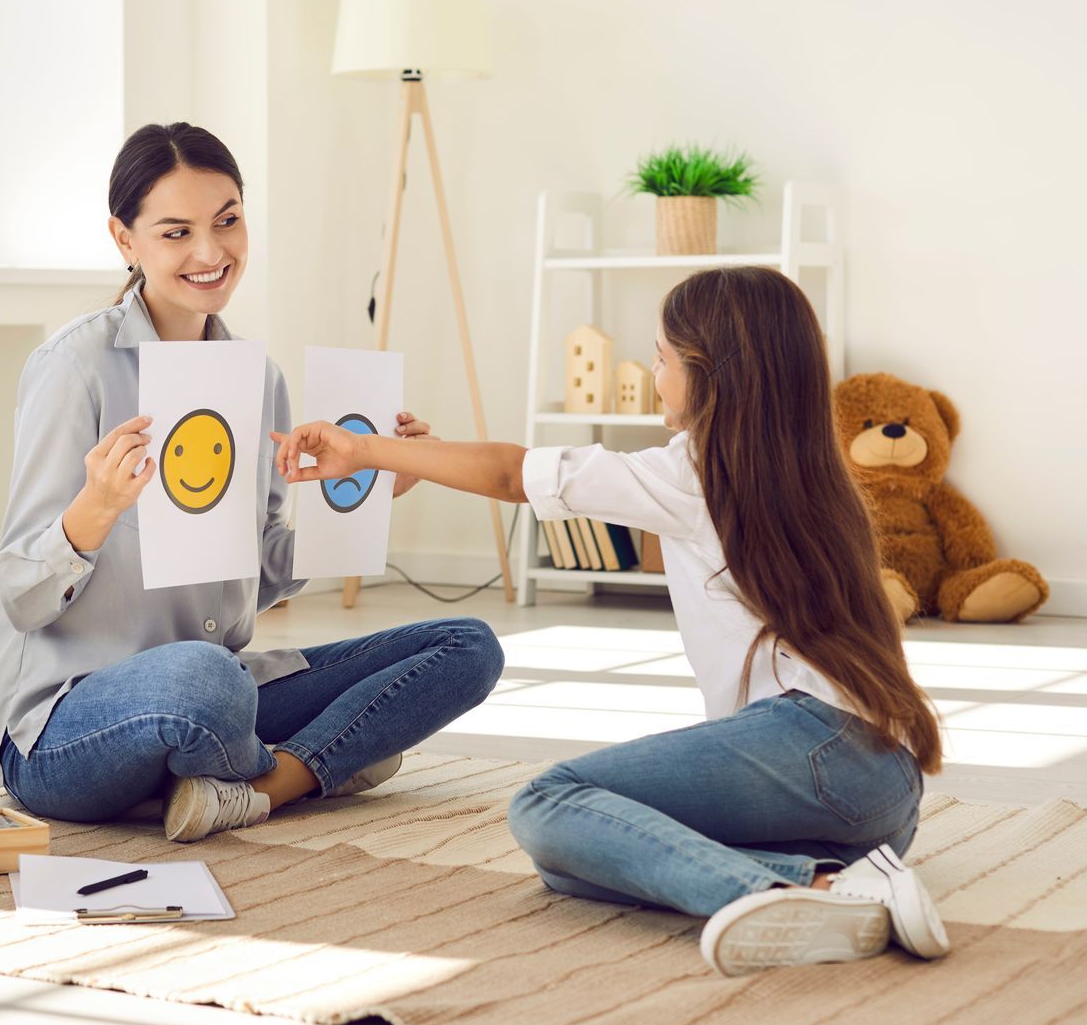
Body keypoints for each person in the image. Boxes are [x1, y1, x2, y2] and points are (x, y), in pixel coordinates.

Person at [273, 266, 951, 976]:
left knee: (549, 803)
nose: (654, 374)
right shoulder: (821, 478)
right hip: (885, 798)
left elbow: (517, 475)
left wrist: (365, 448)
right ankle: (852, 880)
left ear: (710, 374)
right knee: (582, 858)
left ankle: (798, 890)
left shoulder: (697, 473)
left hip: (812, 752)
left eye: (662, 357)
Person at [0, 122, 504, 843]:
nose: (211, 252)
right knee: (207, 678)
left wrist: (368, 491)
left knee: (466, 646)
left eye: (227, 221)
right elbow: (18, 593)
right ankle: (327, 759)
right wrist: (95, 510)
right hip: (65, 730)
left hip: (220, 694)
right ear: (125, 239)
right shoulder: (74, 368)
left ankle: (263, 783)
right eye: (176, 232)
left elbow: (257, 573)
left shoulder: (256, 379)